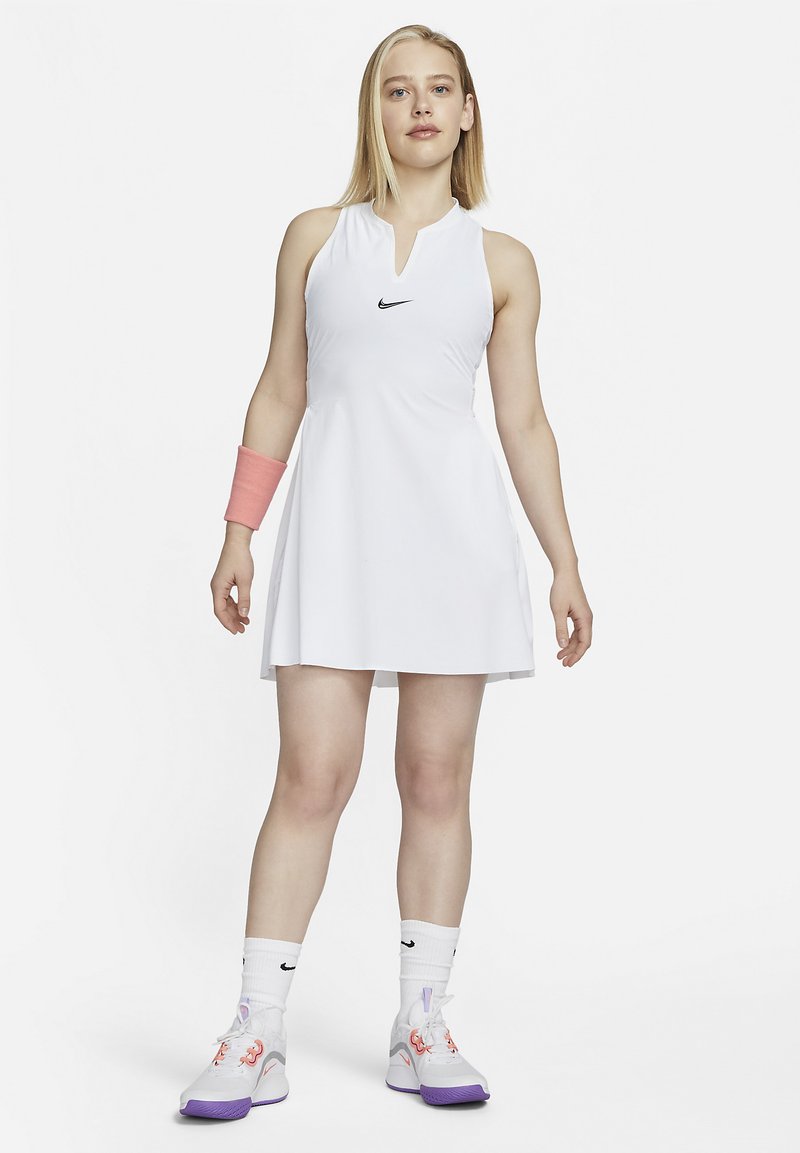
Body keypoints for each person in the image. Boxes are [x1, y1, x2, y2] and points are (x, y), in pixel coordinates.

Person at [179, 23, 592, 1120]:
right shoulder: (316, 240)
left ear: (467, 111)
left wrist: (563, 561)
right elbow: (282, 387)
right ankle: (256, 1028)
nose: (420, 107)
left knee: (436, 779)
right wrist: (238, 530)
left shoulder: (502, 263)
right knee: (311, 777)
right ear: (375, 110)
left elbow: (524, 422)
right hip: (337, 536)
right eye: (399, 90)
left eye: (439, 89)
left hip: (456, 544)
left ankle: (421, 1021)